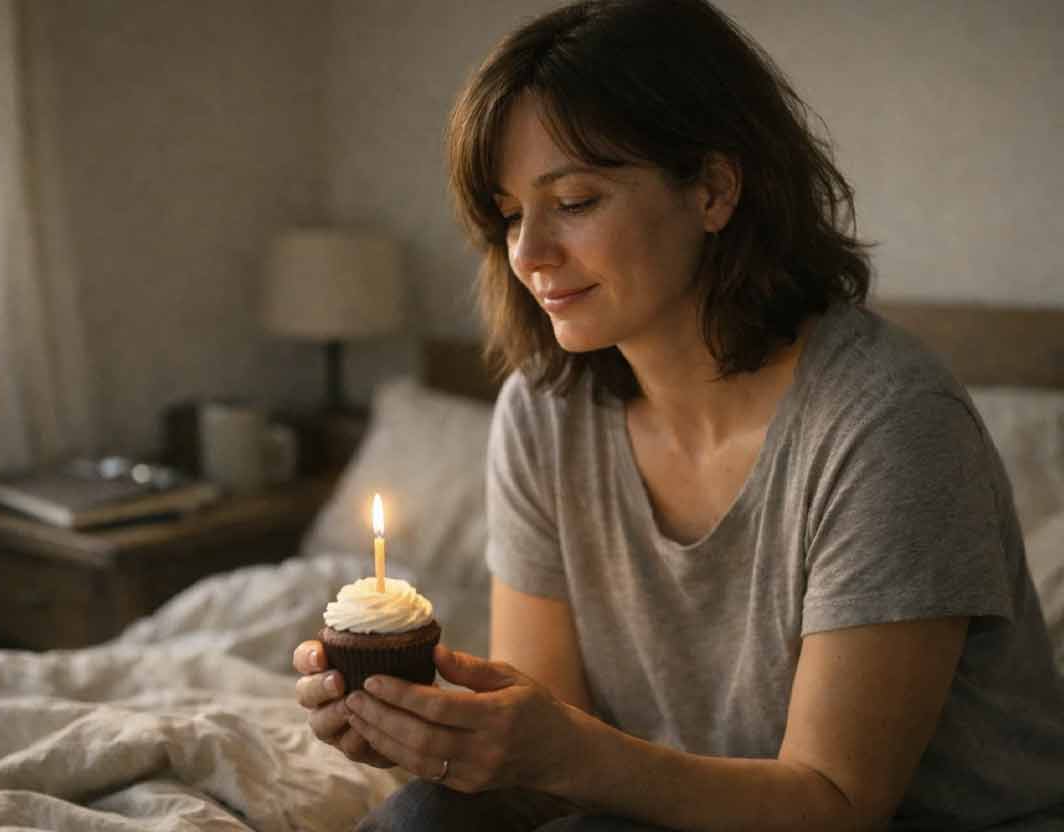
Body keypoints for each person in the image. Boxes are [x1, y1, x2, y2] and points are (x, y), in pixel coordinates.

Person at [293, 0, 1064, 829]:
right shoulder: (545, 411)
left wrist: (564, 755)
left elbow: (838, 804)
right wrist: (439, 736)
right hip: (662, 810)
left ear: (714, 189)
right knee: (425, 816)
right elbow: (549, 745)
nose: (528, 254)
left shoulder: (888, 423)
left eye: (576, 201)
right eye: (511, 214)